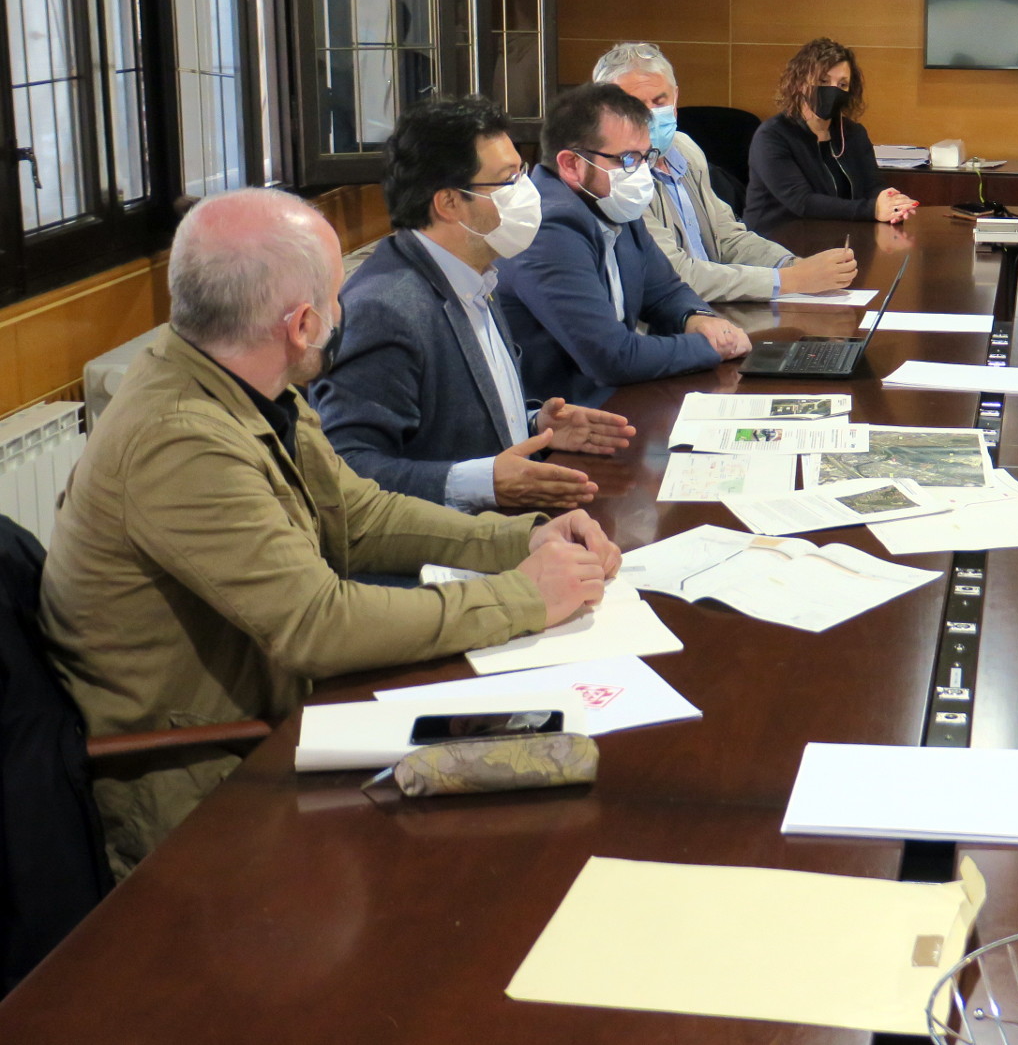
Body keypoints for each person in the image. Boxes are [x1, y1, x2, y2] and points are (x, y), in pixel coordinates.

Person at [38, 190, 622, 871]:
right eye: (337, 297)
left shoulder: (248, 385)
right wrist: (525, 597)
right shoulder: (181, 440)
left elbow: (359, 517)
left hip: (272, 720)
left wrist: (520, 541)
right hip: (206, 785)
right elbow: (318, 625)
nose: (344, 312)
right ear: (304, 324)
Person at [313, 96, 635, 511]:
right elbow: (348, 471)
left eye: (521, 173)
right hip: (449, 542)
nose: (528, 193)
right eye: (507, 181)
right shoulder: (384, 309)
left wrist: (535, 426)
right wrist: (483, 483)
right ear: (449, 203)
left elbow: (455, 421)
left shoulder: (475, 270)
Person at [496, 83, 751, 404]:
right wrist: (710, 346)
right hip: (565, 416)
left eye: (646, 157)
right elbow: (612, 357)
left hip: (618, 400)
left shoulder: (612, 202)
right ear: (571, 164)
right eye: (628, 159)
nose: (641, 173)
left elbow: (665, 291)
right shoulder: (546, 227)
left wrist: (698, 318)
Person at [591, 41, 858, 301]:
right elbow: (675, 275)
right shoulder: (615, 175)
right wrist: (789, 280)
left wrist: (793, 265)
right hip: (667, 317)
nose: (651, 114)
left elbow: (728, 238)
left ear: (675, 97)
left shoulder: (685, 149)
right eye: (636, 105)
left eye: (660, 101)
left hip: (715, 307)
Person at [743, 37, 918, 234]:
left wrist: (892, 204)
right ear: (800, 83)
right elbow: (802, 202)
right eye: (823, 81)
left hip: (834, 238)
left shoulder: (853, 133)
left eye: (842, 84)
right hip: (775, 240)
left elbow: (873, 186)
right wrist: (872, 210)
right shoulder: (772, 136)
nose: (833, 90)